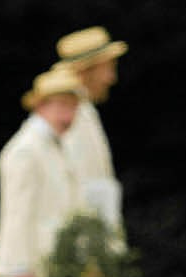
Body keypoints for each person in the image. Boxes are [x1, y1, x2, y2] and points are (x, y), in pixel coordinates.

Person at [0, 65, 84, 277]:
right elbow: (16, 213)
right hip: (28, 268)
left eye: (73, 105)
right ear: (42, 105)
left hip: (49, 265)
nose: (69, 113)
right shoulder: (26, 151)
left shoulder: (53, 148)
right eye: (62, 104)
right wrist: (17, 268)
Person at [54, 25, 127, 234]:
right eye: (108, 68)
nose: (112, 78)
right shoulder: (71, 118)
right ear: (85, 70)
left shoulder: (86, 113)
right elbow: (81, 191)